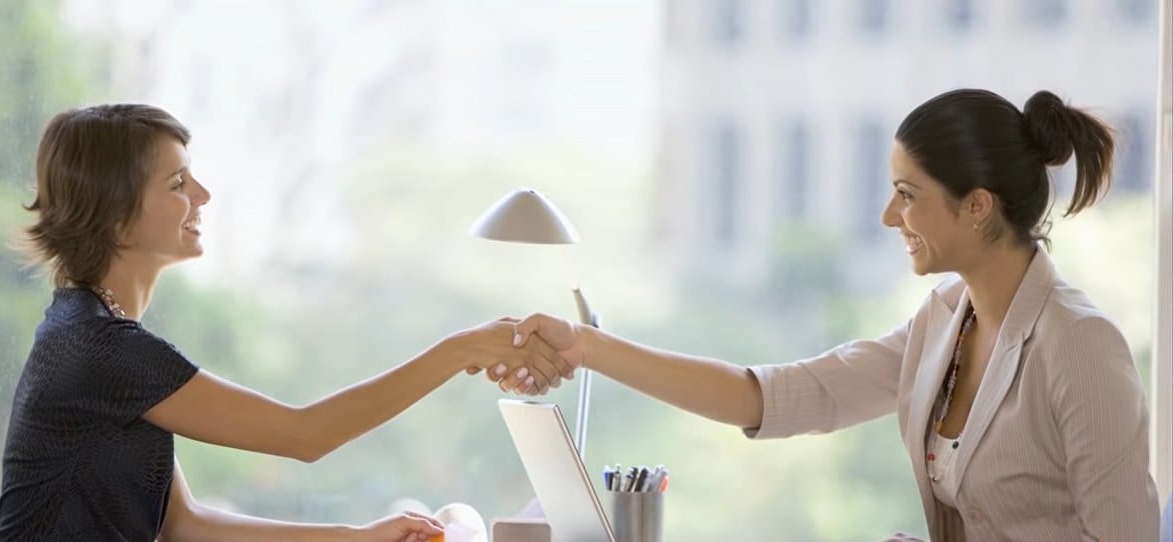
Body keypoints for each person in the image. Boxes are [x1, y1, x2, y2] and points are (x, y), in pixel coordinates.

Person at [493, 89, 1160, 541]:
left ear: (977, 205)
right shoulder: (943, 324)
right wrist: (587, 347)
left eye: (907, 195)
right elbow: (781, 396)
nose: (888, 216)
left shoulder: (1078, 343)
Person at [0, 104, 567, 541]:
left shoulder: (91, 332)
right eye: (177, 185)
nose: (203, 194)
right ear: (115, 212)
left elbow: (185, 526)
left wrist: (357, 537)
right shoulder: (101, 349)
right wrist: (459, 350)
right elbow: (305, 435)